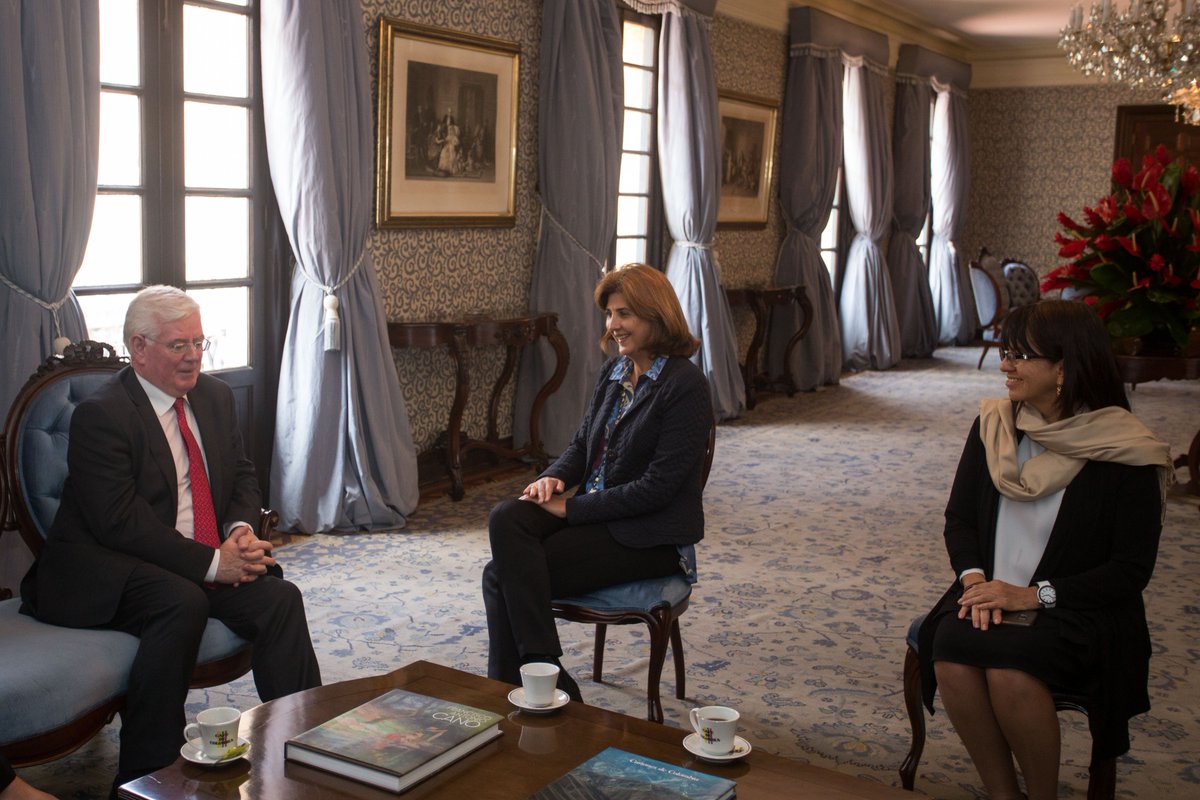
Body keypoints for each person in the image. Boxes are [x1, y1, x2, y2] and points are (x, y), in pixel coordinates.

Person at [19, 286, 322, 793]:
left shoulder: (214, 397)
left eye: (199, 342)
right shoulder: (103, 415)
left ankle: (308, 743)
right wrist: (214, 564)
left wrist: (240, 532)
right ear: (139, 347)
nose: (193, 356)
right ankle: (146, 777)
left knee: (279, 598)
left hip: (190, 558)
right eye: (179, 345)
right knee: (181, 601)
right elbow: (119, 524)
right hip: (104, 565)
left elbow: (242, 475)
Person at [917, 300, 1174, 800]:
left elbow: (1129, 570)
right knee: (949, 653)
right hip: (990, 588)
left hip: (1078, 605)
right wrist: (975, 581)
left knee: (1010, 669)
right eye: (1005, 352)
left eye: (1020, 356)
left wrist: (1033, 596)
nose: (1005, 366)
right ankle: (1003, 794)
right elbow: (960, 520)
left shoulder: (1128, 450)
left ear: (1063, 367)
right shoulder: (994, 427)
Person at [482, 264, 713, 700]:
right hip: (600, 519)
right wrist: (551, 479)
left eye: (625, 313)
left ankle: (521, 681)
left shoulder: (685, 386)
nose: (613, 325)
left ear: (656, 314)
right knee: (507, 516)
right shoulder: (614, 372)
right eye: (609, 314)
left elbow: (657, 489)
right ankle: (542, 668)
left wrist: (571, 508)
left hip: (649, 538)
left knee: (499, 575)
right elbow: (581, 446)